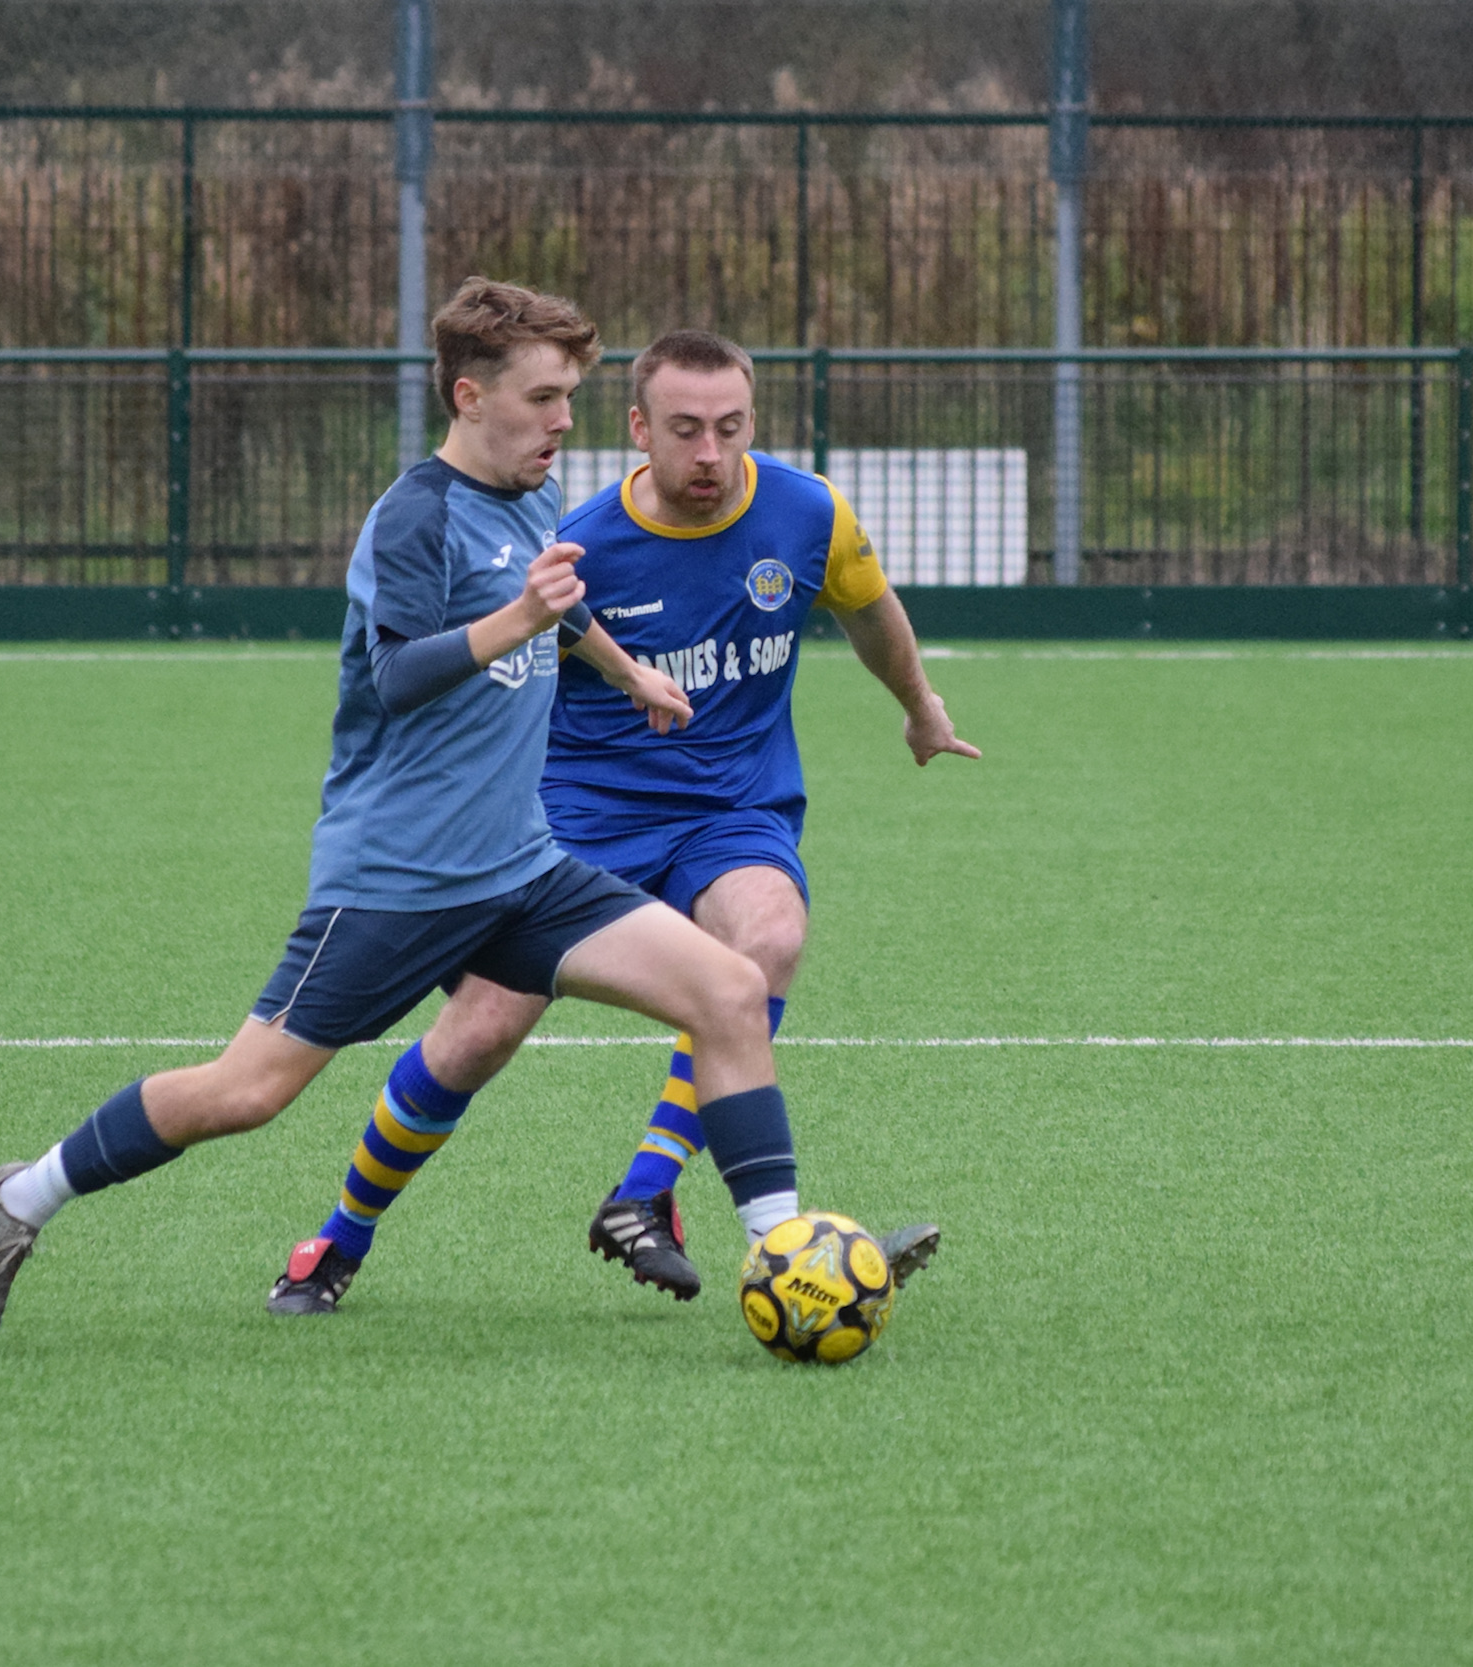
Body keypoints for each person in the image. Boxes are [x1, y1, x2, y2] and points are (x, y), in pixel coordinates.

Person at [0, 281, 822, 1341]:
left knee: (729, 989)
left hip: (525, 869)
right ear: (468, 395)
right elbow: (398, 673)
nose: (561, 422)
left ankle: (784, 1257)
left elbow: (558, 594)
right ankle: (17, 1199)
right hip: (397, 883)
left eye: (570, 399)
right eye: (543, 398)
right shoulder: (415, 515)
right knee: (247, 1090)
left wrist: (624, 670)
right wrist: (519, 620)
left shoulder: (529, 492)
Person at [284, 328, 977, 1306]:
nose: (710, 453)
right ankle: (338, 1239)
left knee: (767, 938)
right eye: (686, 429)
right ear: (639, 427)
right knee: (481, 1026)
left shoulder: (804, 512)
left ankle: (645, 1192)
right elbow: (477, 664)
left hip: (731, 808)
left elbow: (869, 609)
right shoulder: (578, 541)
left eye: (730, 428)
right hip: (576, 814)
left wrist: (919, 705)